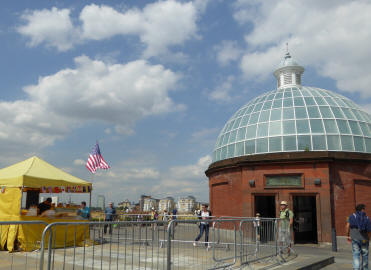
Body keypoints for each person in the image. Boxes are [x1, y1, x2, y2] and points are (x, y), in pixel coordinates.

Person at [346, 204, 371, 270]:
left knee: (356, 254)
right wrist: (369, 238)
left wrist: (347, 235)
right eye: (364, 209)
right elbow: (369, 231)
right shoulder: (367, 218)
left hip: (355, 239)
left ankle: (356, 268)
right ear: (362, 209)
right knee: (365, 255)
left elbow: (347, 226)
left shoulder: (351, 216)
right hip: (364, 239)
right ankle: (365, 268)